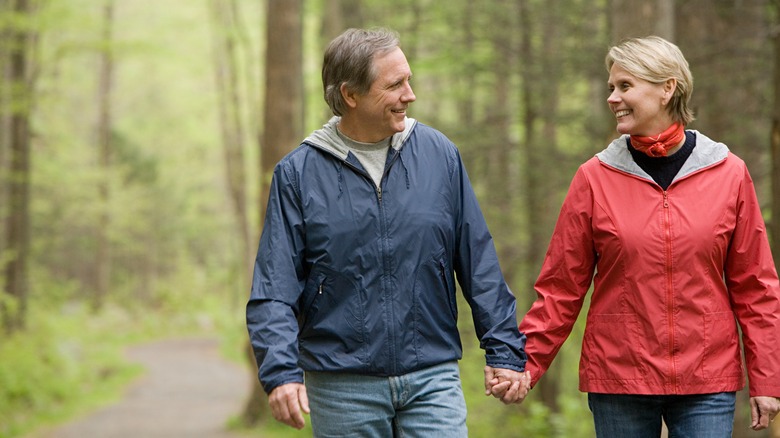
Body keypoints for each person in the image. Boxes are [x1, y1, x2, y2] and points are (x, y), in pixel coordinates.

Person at [246, 27, 530, 437]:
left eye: (408, 80)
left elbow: (478, 261)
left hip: (432, 376)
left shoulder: (439, 155)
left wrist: (504, 350)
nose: (409, 94)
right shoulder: (298, 174)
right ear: (350, 95)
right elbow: (274, 286)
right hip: (342, 385)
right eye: (395, 84)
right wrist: (281, 372)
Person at [515, 35, 780, 436]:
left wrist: (768, 380)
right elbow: (561, 287)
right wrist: (525, 365)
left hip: (706, 378)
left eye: (625, 86)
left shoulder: (729, 173)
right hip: (619, 378)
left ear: (667, 88)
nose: (612, 98)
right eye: (611, 87)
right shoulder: (594, 177)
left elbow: (756, 287)